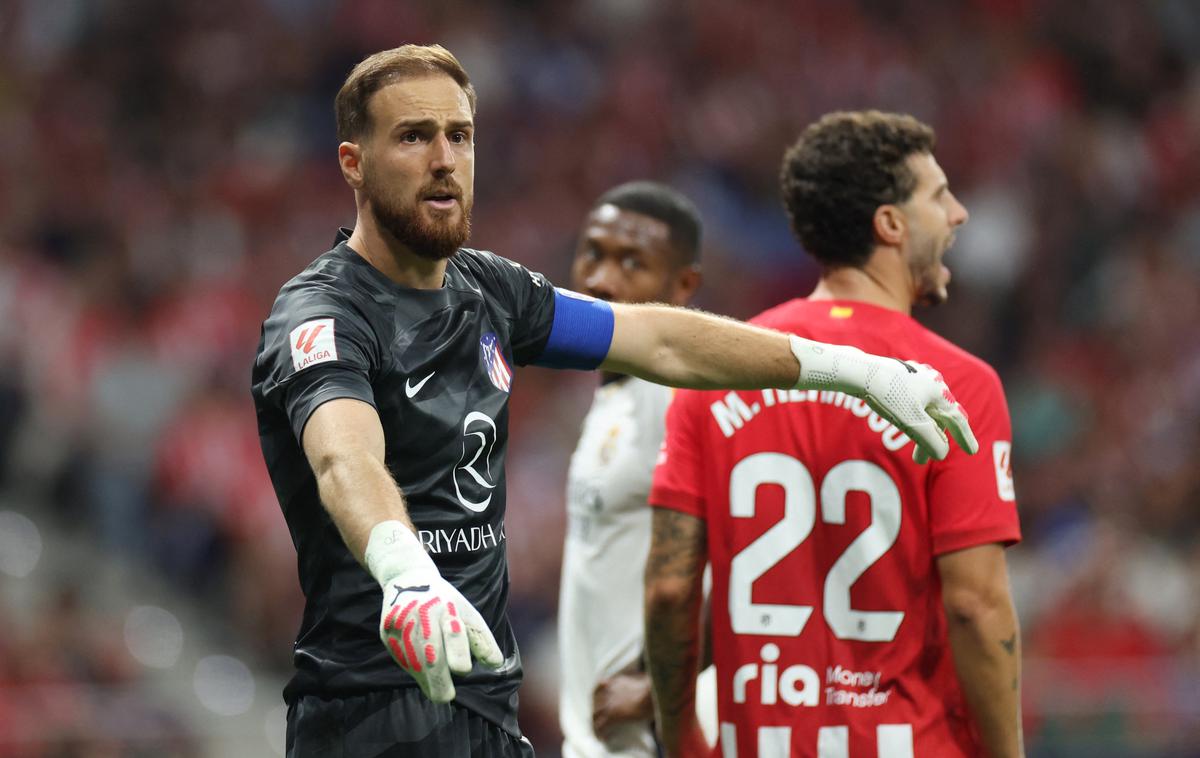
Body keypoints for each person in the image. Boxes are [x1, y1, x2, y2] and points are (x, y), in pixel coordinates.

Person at [250, 45, 976, 758]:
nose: (444, 159)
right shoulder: (324, 314)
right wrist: (405, 574)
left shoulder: (489, 290)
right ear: (354, 163)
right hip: (367, 713)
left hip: (487, 711)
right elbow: (344, 456)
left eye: (460, 136)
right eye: (414, 136)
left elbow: (657, 340)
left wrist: (849, 368)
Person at [644, 110, 1024, 758]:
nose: (959, 213)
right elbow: (976, 607)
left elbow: (671, 587)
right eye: (939, 196)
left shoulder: (713, 377)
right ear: (891, 225)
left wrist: (681, 739)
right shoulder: (955, 385)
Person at [557, 181, 718, 758]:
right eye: (593, 252)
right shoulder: (615, 391)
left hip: (646, 742)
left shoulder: (672, 395)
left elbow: (749, 564)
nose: (601, 279)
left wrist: (656, 690)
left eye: (633, 263)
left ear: (683, 286)